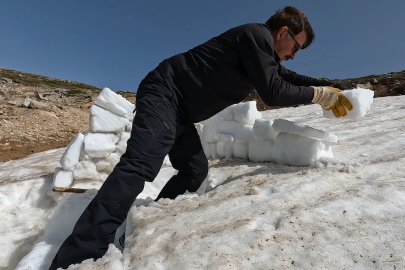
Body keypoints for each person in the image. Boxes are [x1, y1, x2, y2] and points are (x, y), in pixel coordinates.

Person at [50, 6, 352, 269]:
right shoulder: (257, 35)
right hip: (164, 93)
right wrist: (320, 96)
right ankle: (76, 257)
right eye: (296, 47)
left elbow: (288, 78)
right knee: (141, 164)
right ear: (284, 32)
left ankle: (141, 226)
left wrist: (330, 86)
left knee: (195, 169)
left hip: (178, 110)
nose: (294, 56)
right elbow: (273, 91)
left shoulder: (263, 53)